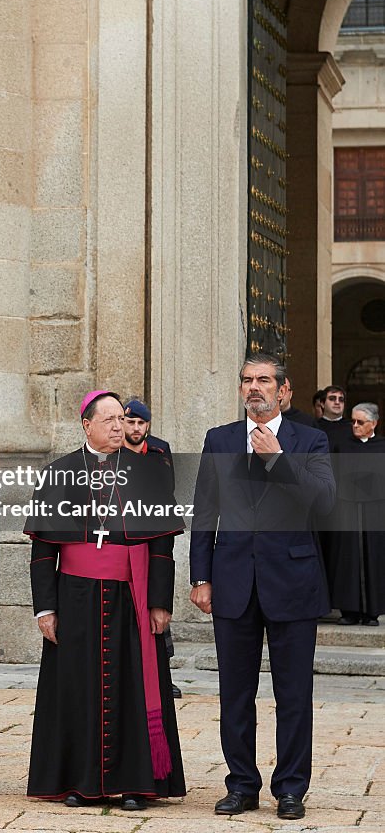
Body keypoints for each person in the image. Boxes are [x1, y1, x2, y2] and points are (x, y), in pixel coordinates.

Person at [190, 352, 335, 822]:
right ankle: (241, 785)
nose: (255, 387)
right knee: (235, 694)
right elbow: (205, 511)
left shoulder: (310, 439)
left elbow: (325, 503)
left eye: (265, 380)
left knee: (293, 694)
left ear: (284, 390)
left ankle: (291, 789)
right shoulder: (219, 439)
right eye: (248, 380)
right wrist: (201, 576)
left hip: (292, 581)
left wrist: (279, 461)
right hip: (232, 581)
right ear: (241, 389)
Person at [25, 391, 185, 811]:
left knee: (132, 682)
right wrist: (45, 608)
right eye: (110, 419)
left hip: (131, 592)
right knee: (76, 686)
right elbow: (43, 550)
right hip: (74, 595)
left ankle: (137, 782)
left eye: (123, 419)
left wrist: (159, 602)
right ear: (87, 424)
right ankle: (80, 782)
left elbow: (162, 546)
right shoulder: (59, 473)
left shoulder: (149, 472)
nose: (119, 426)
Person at [123, 398, 182, 699]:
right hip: (125, 538)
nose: (135, 428)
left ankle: (163, 673)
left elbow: (166, 489)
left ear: (148, 424)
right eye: (130, 422)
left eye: (140, 423)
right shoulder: (113, 451)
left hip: (155, 533)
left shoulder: (160, 449)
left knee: (157, 603)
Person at [323, 403, 385, 626]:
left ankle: (372, 612)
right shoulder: (342, 446)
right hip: (347, 510)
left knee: (374, 559)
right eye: (353, 421)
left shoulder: (382, 447)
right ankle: (348, 611)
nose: (355, 426)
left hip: (375, 512)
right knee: (347, 559)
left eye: (361, 422)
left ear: (374, 424)